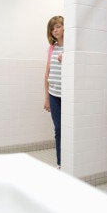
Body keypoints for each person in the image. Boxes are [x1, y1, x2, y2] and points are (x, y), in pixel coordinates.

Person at [44, 15, 64, 169]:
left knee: (67, 128)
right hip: (53, 94)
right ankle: (60, 163)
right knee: (58, 128)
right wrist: (46, 98)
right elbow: (47, 74)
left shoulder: (70, 47)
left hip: (67, 96)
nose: (55, 30)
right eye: (52, 28)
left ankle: (69, 160)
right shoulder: (52, 48)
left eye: (57, 26)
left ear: (65, 27)